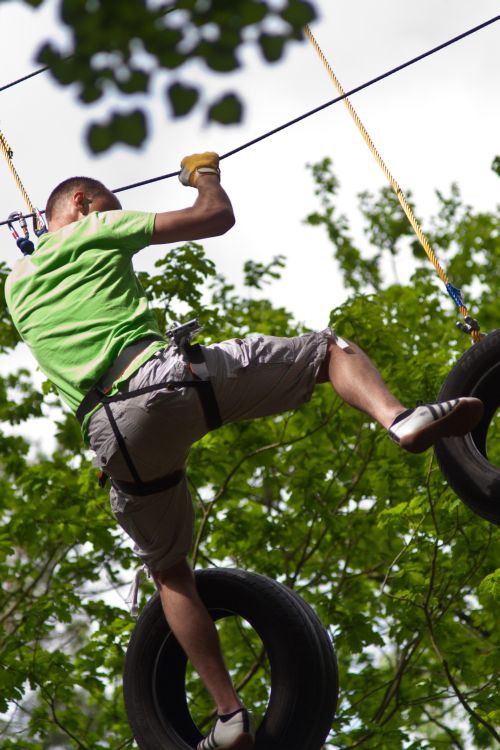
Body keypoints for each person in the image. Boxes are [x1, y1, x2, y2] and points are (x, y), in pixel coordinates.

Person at [4, 152, 483, 750]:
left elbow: (45, 272)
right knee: (329, 350)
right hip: (164, 381)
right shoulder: (95, 227)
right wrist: (204, 174)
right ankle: (400, 419)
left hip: (111, 437)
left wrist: (38, 246)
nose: (110, 213)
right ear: (81, 204)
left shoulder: (16, 287)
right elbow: (215, 217)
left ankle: (228, 718)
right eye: (106, 204)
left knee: (170, 574)